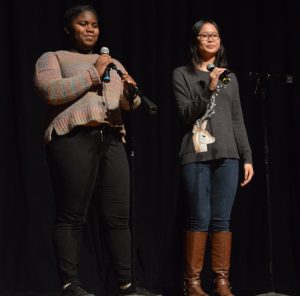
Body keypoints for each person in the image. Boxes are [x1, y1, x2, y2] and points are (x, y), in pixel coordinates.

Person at [34, 4, 156, 296]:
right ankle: (70, 285)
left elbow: (130, 104)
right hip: (73, 137)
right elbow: (50, 91)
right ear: (69, 29)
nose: (90, 29)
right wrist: (93, 73)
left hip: (112, 138)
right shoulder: (53, 57)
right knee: (72, 215)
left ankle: (127, 286)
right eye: (83, 24)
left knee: (118, 217)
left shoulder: (112, 62)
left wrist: (130, 90)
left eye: (95, 25)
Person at [172, 19, 254, 296]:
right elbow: (185, 115)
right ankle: (192, 283)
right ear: (195, 40)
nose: (210, 39)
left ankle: (221, 281)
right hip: (196, 154)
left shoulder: (231, 77)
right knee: (200, 218)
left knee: (222, 220)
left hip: (228, 155)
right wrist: (209, 86)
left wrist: (247, 157)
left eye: (215, 35)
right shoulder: (181, 75)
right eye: (205, 35)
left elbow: (237, 120)